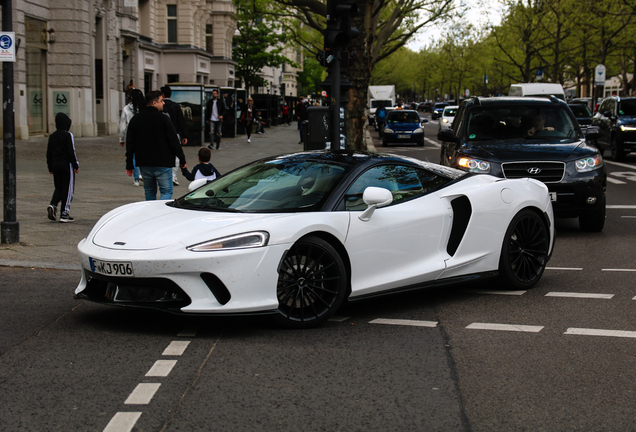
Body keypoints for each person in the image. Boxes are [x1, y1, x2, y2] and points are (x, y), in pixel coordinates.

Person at [125, 90, 187, 201]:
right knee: (167, 191)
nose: (163, 103)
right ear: (154, 103)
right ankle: (160, 213)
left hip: (144, 162)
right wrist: (182, 159)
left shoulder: (136, 120)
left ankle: (152, 213)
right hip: (163, 162)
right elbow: (174, 141)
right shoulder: (164, 119)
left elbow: (130, 144)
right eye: (161, 100)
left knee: (149, 192)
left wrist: (129, 164)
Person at [47, 112, 79, 223]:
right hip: (66, 164)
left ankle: (53, 204)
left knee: (59, 187)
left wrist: (50, 167)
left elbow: (49, 153)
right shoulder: (68, 135)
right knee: (68, 189)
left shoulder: (52, 136)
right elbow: (71, 151)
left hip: (55, 164)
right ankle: (64, 213)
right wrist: (75, 165)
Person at [160, 85, 188, 186]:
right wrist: (184, 135)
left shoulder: (161, 106)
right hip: (175, 132)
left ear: (162, 94)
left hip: (162, 133)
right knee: (176, 155)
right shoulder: (176, 106)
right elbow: (181, 121)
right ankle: (173, 176)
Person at [119, 88, 145, 186]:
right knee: (143, 154)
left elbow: (122, 124)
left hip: (132, 134)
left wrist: (122, 138)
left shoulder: (126, 109)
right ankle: (142, 173)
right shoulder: (144, 108)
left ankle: (136, 179)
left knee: (134, 155)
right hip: (144, 134)